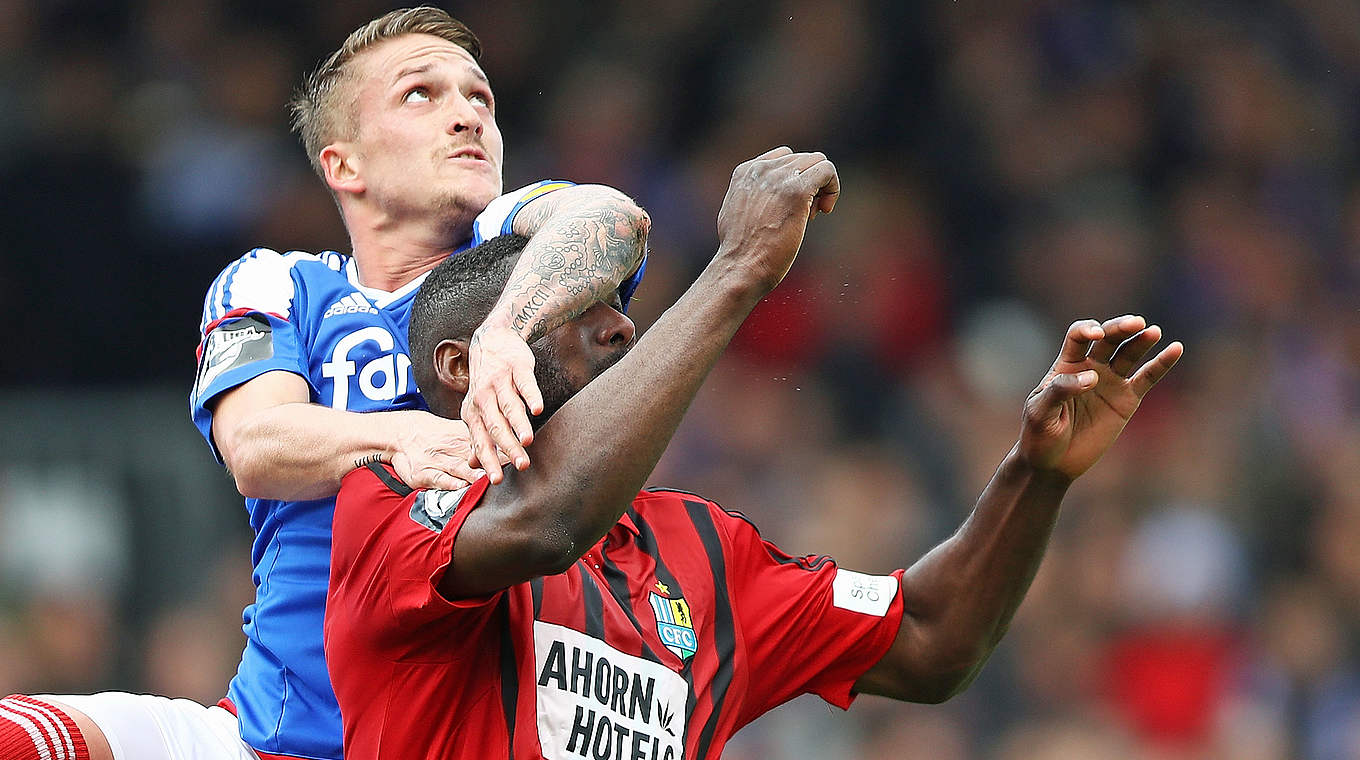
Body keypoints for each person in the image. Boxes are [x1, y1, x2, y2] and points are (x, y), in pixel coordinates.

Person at [325, 147, 1183, 758]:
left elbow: (931, 639)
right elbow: (544, 519)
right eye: (582, 311)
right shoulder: (384, 505)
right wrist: (734, 270)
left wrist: (1034, 474)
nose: (622, 325)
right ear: (462, 362)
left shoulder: (702, 555)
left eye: (622, 307)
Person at [0, 7, 650, 760]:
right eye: (421, 94)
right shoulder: (280, 283)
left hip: (469, 729)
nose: (468, 116)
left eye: (481, 98)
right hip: (270, 734)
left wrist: (507, 326)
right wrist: (400, 435)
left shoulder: (523, 258)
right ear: (345, 165)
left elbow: (611, 216)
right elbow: (255, 440)